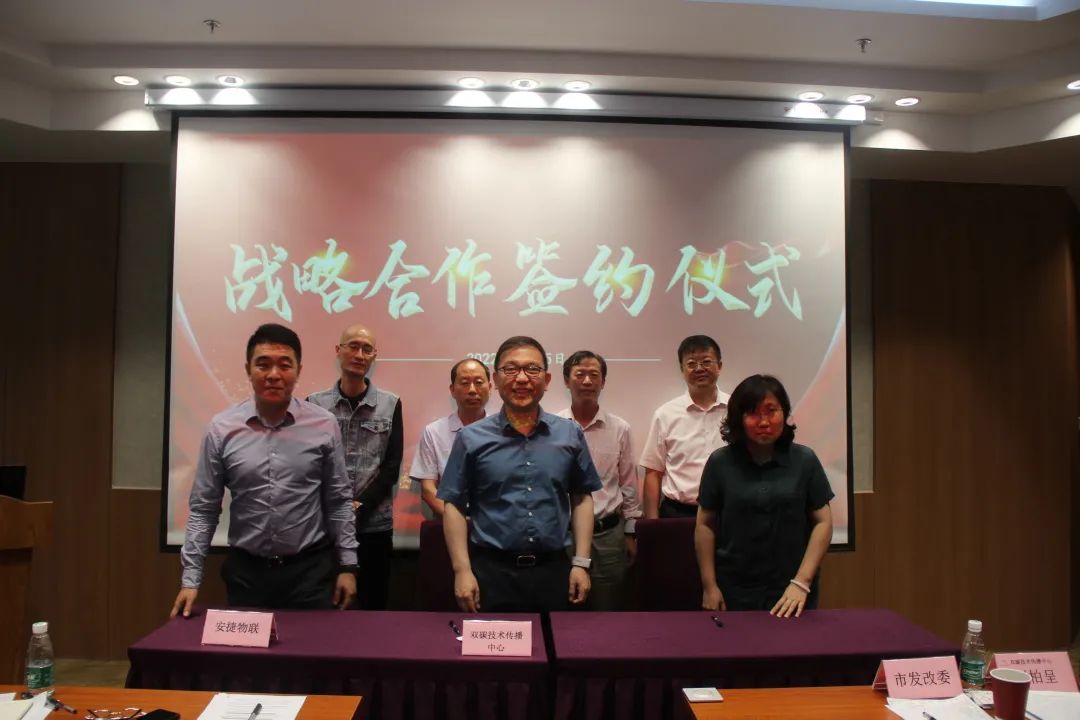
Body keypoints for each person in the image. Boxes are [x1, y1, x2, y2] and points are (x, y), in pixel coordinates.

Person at [171, 323, 357, 617]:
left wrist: (348, 566)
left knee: (311, 647)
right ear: (248, 369)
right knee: (249, 648)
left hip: (309, 573)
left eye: (284, 365)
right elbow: (204, 509)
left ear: (298, 370)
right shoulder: (221, 429)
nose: (273, 374)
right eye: (263, 364)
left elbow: (338, 500)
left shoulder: (324, 425)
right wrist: (190, 580)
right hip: (248, 575)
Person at [437, 336, 601, 613]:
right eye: (511, 369)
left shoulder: (569, 433)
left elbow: (582, 497)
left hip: (555, 571)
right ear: (496, 379)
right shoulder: (471, 438)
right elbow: (453, 504)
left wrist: (581, 563)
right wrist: (462, 570)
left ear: (547, 380)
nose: (522, 378)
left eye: (532, 369)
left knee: (556, 640)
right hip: (491, 573)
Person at [694, 374, 834, 617]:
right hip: (734, 589)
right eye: (753, 413)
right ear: (738, 418)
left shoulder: (805, 460)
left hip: (792, 590)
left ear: (784, 412)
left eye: (771, 411)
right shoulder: (720, 463)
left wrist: (801, 582)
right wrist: (710, 586)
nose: (764, 422)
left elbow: (823, 522)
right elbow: (704, 525)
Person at [307, 324, 402, 610]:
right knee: (323, 609)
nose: (359, 354)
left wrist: (359, 505)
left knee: (374, 608)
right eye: (353, 346)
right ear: (339, 351)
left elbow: (391, 466)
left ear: (374, 356)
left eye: (367, 349)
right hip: (325, 526)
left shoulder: (390, 404)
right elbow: (309, 464)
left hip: (374, 526)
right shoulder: (314, 405)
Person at [556, 350, 641, 611]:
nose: (587, 381)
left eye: (594, 375)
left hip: (608, 535)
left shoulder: (619, 428)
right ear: (566, 380)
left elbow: (628, 483)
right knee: (565, 610)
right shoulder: (552, 428)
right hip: (563, 535)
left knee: (608, 609)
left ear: (603, 382)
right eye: (579, 374)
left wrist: (630, 532)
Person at [639, 335, 728, 518]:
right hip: (678, 512)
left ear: (719, 366)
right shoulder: (665, 414)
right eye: (691, 363)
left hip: (728, 511)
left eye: (706, 362)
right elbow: (653, 473)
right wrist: (652, 524)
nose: (699, 368)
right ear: (682, 370)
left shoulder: (736, 409)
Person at [409, 358, 492, 517]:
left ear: (490, 387)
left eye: (479, 382)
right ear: (452, 390)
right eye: (465, 383)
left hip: (494, 524)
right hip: (448, 521)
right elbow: (428, 489)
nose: (472, 390)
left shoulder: (502, 430)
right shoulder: (434, 432)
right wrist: (458, 522)